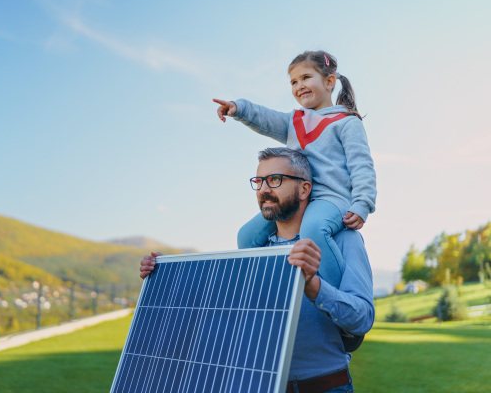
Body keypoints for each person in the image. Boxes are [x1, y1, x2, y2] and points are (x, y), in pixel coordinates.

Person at [140, 147, 374, 393]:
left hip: (326, 386)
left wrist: (314, 286)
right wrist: (166, 275)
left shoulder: (344, 240)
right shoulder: (256, 251)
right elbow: (218, 309)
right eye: (259, 181)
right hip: (260, 385)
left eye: (275, 180)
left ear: (304, 189)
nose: (264, 189)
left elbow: (362, 319)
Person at [213, 50, 376, 289]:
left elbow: (362, 166)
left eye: (306, 77)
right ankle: (261, 290)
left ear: (329, 82)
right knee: (246, 236)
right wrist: (239, 108)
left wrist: (363, 203)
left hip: (332, 199)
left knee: (313, 228)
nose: (299, 85)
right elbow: (265, 118)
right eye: (293, 82)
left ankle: (330, 289)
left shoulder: (347, 123)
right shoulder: (294, 121)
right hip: (297, 199)